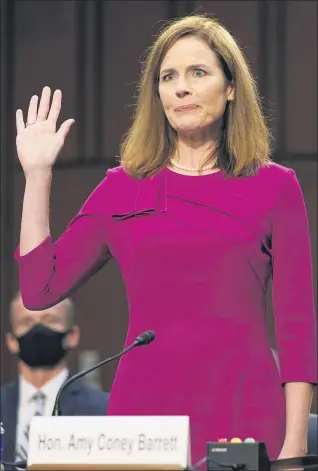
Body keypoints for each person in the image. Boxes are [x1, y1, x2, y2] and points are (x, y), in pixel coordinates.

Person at [13, 13, 317, 464]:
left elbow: (297, 326)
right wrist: (37, 175)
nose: (181, 87)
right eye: (168, 77)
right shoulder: (123, 187)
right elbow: (39, 290)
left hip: (243, 409)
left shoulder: (275, 186)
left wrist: (296, 443)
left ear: (231, 87)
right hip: (144, 418)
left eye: (198, 72)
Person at [0, 292, 110, 463]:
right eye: (26, 322)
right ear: (11, 341)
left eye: (49, 320)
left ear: (72, 336)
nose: (37, 329)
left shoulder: (104, 409)